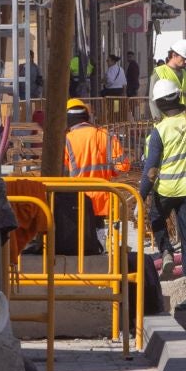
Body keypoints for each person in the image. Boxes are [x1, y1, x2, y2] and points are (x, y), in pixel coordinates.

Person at [144, 89, 186, 280]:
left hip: (167, 190)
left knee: (155, 217)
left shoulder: (160, 130)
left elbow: (151, 170)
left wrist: (141, 196)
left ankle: (166, 251)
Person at [61, 98, 130, 255]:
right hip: (102, 196)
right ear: (87, 116)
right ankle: (101, 260)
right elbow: (123, 165)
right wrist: (109, 172)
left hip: (77, 198)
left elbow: (62, 171)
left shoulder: (67, 140)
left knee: (79, 237)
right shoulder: (105, 135)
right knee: (99, 232)